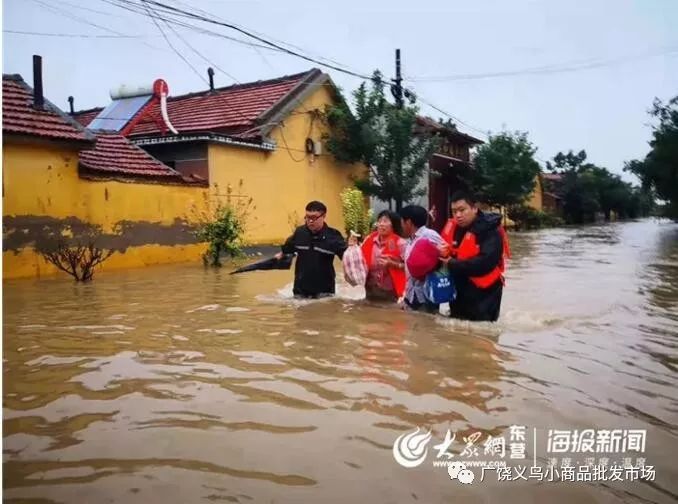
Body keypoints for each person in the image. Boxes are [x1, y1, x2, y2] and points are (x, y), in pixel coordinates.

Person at [439, 191, 510, 322]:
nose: (458, 215)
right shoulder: (453, 227)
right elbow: (446, 251)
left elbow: (486, 263)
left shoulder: (490, 230)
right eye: (454, 211)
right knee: (457, 328)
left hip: (485, 291)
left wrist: (451, 263)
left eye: (462, 210)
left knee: (482, 332)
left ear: (474, 208)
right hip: (460, 287)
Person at [276, 201, 348, 298]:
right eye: (307, 217)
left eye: (314, 217)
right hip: (300, 292)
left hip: (325, 293)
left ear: (324, 216)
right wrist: (280, 256)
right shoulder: (300, 233)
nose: (310, 221)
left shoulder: (333, 236)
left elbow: (347, 258)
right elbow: (287, 249)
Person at [348, 210, 407, 302]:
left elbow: (411, 268)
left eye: (385, 221)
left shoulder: (401, 244)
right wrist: (352, 247)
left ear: (393, 224)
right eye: (379, 221)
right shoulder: (369, 240)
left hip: (391, 294)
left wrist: (393, 264)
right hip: (370, 291)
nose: (381, 224)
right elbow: (357, 261)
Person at [400, 205, 444, 313]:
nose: (401, 225)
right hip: (412, 294)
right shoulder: (410, 240)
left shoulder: (429, 235)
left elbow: (446, 253)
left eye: (402, 221)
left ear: (408, 222)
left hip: (427, 295)